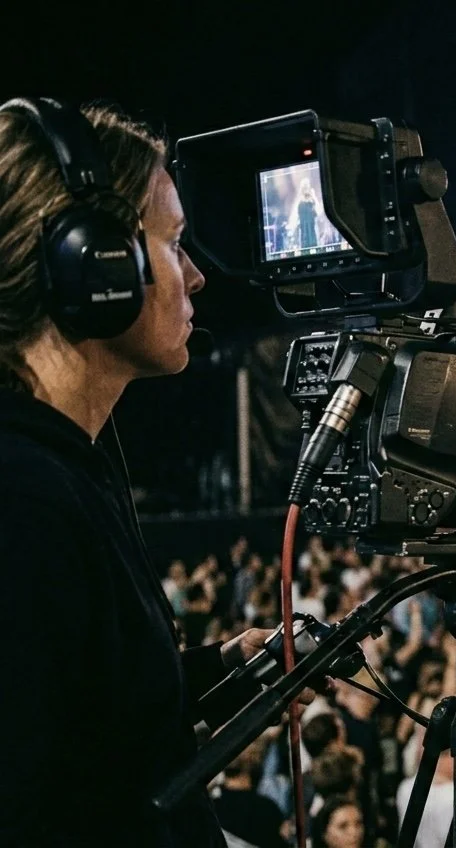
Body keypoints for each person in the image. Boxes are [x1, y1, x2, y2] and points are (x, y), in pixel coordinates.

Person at [0, 97, 312, 846]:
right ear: (97, 263)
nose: (197, 277)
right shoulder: (22, 503)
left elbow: (80, 728)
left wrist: (210, 675)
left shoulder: (57, 470)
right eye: (173, 243)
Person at [295, 176, 319, 250]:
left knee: (312, 240)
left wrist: (313, 196)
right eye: (305, 185)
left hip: (311, 224)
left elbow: (317, 210)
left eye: (307, 185)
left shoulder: (312, 197)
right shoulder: (300, 200)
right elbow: (298, 214)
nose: (306, 187)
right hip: (304, 225)